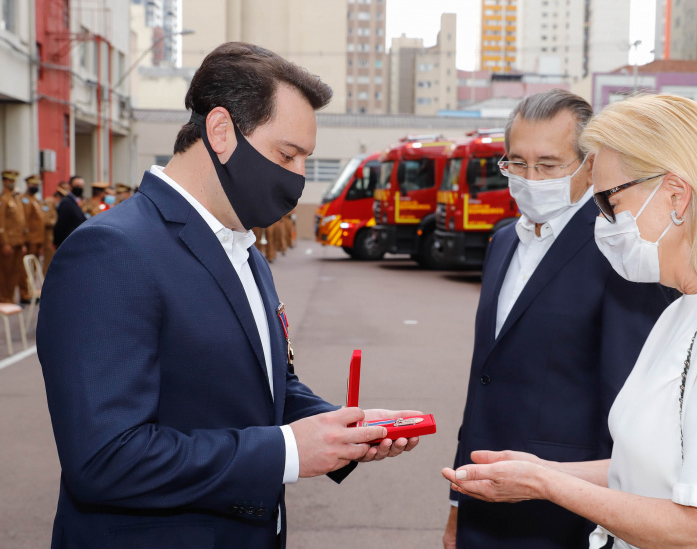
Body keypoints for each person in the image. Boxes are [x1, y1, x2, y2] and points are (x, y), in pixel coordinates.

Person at [38, 42, 421, 549]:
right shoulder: (111, 252)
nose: (298, 177)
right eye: (287, 154)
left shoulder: (242, 248)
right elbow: (106, 458)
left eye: (306, 160)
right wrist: (286, 451)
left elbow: (267, 387)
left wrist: (339, 430)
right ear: (220, 131)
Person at [444, 93, 697, 548]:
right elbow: (648, 469)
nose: (603, 224)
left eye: (609, 202)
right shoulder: (684, 308)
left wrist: (548, 485)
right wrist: (540, 470)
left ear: (676, 194)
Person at [444, 89, 674, 549]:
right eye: (516, 163)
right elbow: (483, 380)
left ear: (591, 165)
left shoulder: (620, 252)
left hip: (570, 513)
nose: (531, 179)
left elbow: (629, 404)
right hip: (483, 497)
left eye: (548, 165)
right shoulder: (503, 240)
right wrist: (456, 504)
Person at [0, 170, 27, 303]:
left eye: (14, 181)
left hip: (17, 242)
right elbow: (1, 223)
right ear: (4, 181)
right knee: (5, 273)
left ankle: (10, 298)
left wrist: (22, 243)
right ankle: (4, 299)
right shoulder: (3, 199)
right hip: (8, 242)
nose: (12, 183)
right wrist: (4, 243)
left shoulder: (15, 198)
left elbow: (20, 222)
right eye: (9, 180)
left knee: (15, 273)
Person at [20, 175, 46, 302]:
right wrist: (24, 239)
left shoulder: (35, 200)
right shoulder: (24, 200)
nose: (35, 187)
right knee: (26, 269)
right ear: (28, 185)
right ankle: (25, 294)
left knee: (33, 269)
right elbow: (24, 221)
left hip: (38, 239)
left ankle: (31, 291)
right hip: (30, 239)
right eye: (33, 185)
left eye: (37, 185)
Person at [52, 175, 86, 248]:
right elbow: (61, 224)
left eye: (81, 186)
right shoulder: (66, 202)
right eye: (77, 185)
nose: (79, 188)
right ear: (70, 186)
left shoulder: (77, 201)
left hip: (76, 241)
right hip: (68, 243)